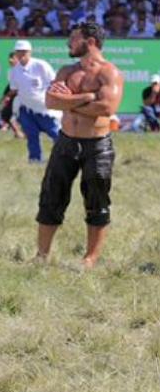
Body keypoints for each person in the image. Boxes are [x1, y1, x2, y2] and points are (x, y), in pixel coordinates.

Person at [35, 22, 124, 269]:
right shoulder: (66, 70)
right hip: (66, 141)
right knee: (51, 196)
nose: (68, 43)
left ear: (90, 42)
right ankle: (41, 255)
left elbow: (107, 108)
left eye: (73, 39)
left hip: (97, 145)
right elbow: (51, 101)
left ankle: (90, 258)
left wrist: (68, 101)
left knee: (97, 200)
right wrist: (85, 97)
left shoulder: (109, 73)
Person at [6, 40, 60, 162]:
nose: (22, 54)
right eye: (19, 51)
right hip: (25, 106)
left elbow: (54, 82)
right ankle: (34, 158)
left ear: (30, 52)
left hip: (43, 107)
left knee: (54, 132)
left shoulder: (41, 65)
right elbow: (14, 89)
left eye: (24, 51)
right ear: (15, 53)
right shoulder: (14, 71)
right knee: (31, 133)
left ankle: (67, 156)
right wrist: (7, 98)